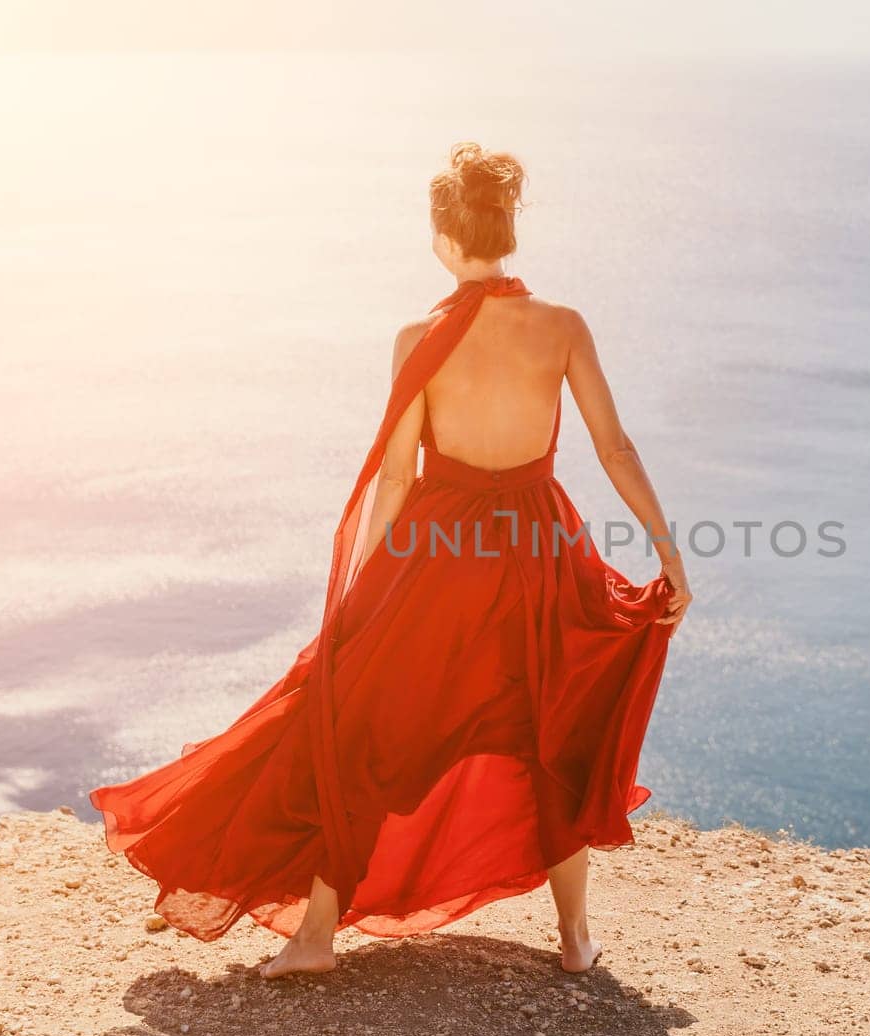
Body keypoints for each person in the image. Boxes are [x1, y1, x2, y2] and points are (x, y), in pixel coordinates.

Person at [89, 142, 692, 979]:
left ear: (444, 239)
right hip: (538, 554)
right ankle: (576, 937)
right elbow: (616, 449)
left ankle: (315, 937)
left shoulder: (420, 338)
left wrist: (362, 594)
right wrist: (670, 555)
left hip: (435, 560)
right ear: (508, 231)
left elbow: (398, 477)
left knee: (366, 729)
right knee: (548, 729)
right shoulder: (562, 327)